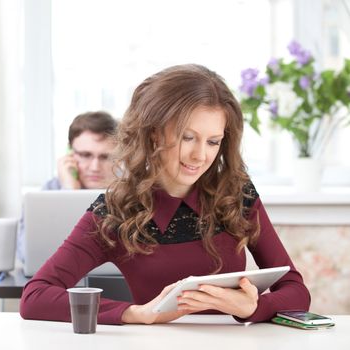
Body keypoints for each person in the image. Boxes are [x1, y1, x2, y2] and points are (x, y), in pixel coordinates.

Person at [19, 64, 310, 325]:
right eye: (188, 137)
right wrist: (136, 313)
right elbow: (35, 297)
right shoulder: (116, 211)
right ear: (155, 134)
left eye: (213, 141)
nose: (200, 155)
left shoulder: (237, 194)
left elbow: (296, 292)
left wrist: (253, 307)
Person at [16, 111, 118, 261]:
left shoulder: (132, 191)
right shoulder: (49, 191)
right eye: (85, 155)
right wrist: (70, 191)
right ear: (70, 152)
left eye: (105, 157)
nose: (95, 167)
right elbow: (26, 254)